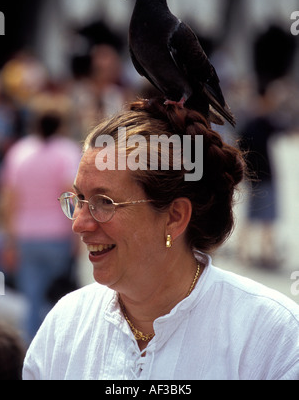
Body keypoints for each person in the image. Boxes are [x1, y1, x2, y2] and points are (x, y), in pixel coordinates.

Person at [23, 99, 299, 380]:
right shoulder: (65, 325)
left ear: (174, 217)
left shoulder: (272, 337)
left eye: (104, 203)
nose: (79, 224)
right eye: (80, 199)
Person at [0, 109, 81, 342]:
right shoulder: (66, 152)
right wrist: (77, 232)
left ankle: (32, 354)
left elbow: (9, 200)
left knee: (32, 301)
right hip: (57, 236)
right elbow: (69, 195)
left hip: (26, 236)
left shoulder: (19, 152)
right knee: (60, 299)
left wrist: (10, 239)